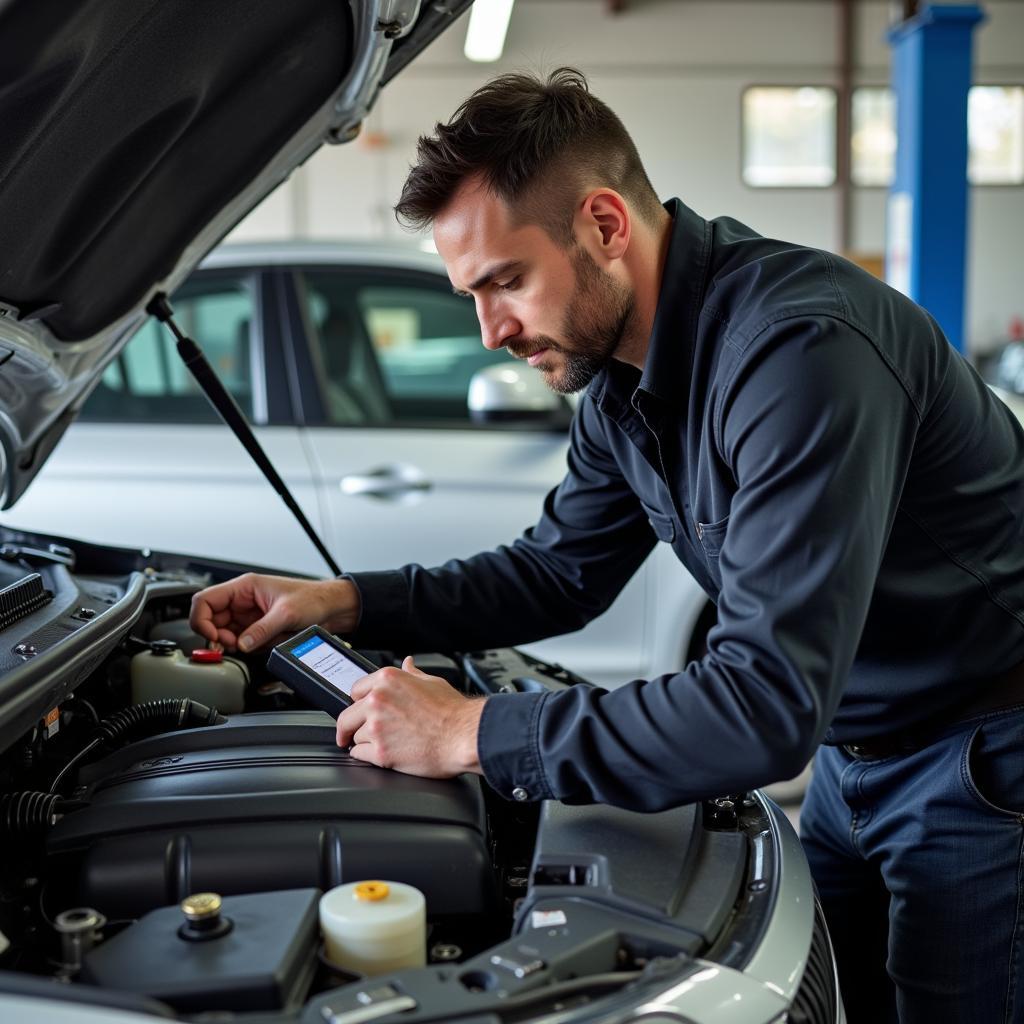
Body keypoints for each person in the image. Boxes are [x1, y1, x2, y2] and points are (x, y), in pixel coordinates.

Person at [190, 68, 1024, 1021]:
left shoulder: (802, 354)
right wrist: (344, 603)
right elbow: (560, 569)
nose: (491, 332)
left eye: (507, 281)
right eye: (471, 293)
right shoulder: (624, 381)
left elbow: (761, 707)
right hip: (855, 753)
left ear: (605, 225)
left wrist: (468, 731)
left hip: (981, 762)